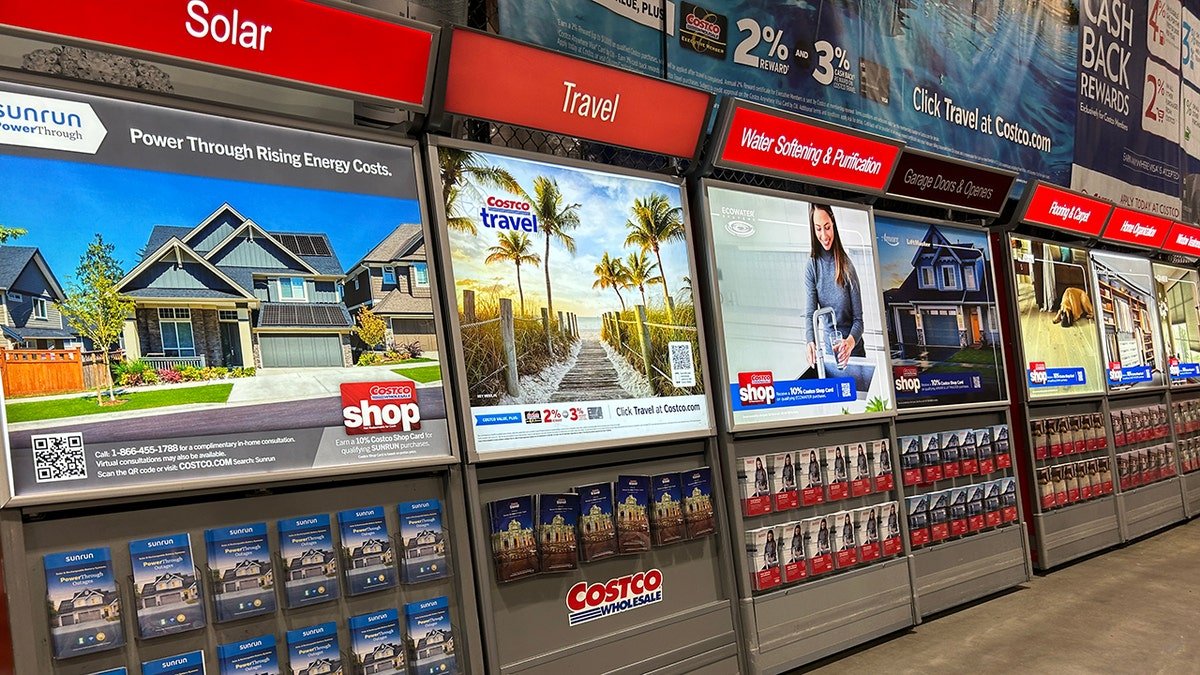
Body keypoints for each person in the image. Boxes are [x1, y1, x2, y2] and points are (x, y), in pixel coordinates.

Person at [805, 203, 865, 369]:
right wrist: (810, 341)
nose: (824, 235)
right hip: (831, 356)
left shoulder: (846, 266)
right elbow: (811, 314)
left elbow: (859, 321)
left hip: (855, 354)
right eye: (818, 229)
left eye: (827, 227)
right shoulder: (812, 267)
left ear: (833, 225)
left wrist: (850, 343)